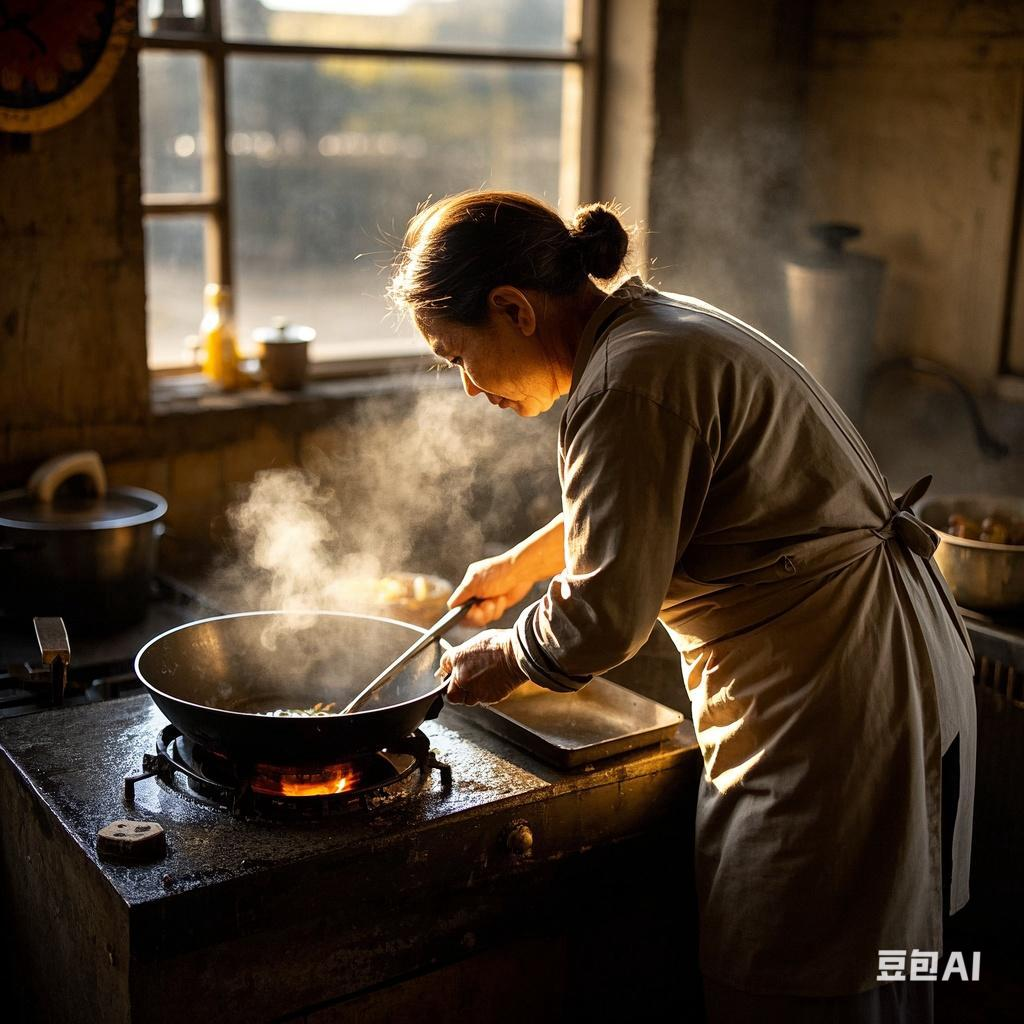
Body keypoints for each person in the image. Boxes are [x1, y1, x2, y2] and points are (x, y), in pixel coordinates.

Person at [388, 190, 976, 1023]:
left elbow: (602, 619)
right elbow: (663, 482)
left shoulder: (627, 379)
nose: (469, 389)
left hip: (831, 693)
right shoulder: (649, 329)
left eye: (456, 358)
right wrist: (524, 563)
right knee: (875, 962)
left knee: (789, 973)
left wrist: (511, 655)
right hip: (873, 654)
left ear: (513, 308)